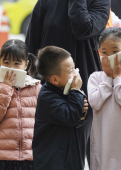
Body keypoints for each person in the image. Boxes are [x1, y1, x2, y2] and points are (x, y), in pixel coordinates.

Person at [25, 0, 110, 167]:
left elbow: (83, 28)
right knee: (49, 148)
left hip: (83, 88)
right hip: (49, 88)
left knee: (76, 148)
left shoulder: (100, 2)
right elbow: (31, 46)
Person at [0, 39, 41, 170]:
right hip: (3, 156)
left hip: (30, 155)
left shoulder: (36, 88)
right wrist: (5, 88)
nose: (11, 68)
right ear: (0, 62)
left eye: (17, 63)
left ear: (26, 64)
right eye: (7, 63)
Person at [33, 46, 88, 170]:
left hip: (67, 157)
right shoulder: (47, 97)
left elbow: (75, 120)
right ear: (55, 79)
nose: (75, 73)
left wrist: (82, 112)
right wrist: (76, 91)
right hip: (52, 161)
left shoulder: (64, 90)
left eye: (74, 68)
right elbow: (70, 117)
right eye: (70, 71)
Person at [88, 27, 121, 170]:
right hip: (102, 142)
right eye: (105, 53)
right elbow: (95, 103)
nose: (110, 57)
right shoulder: (96, 77)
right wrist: (108, 78)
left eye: (115, 51)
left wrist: (117, 78)